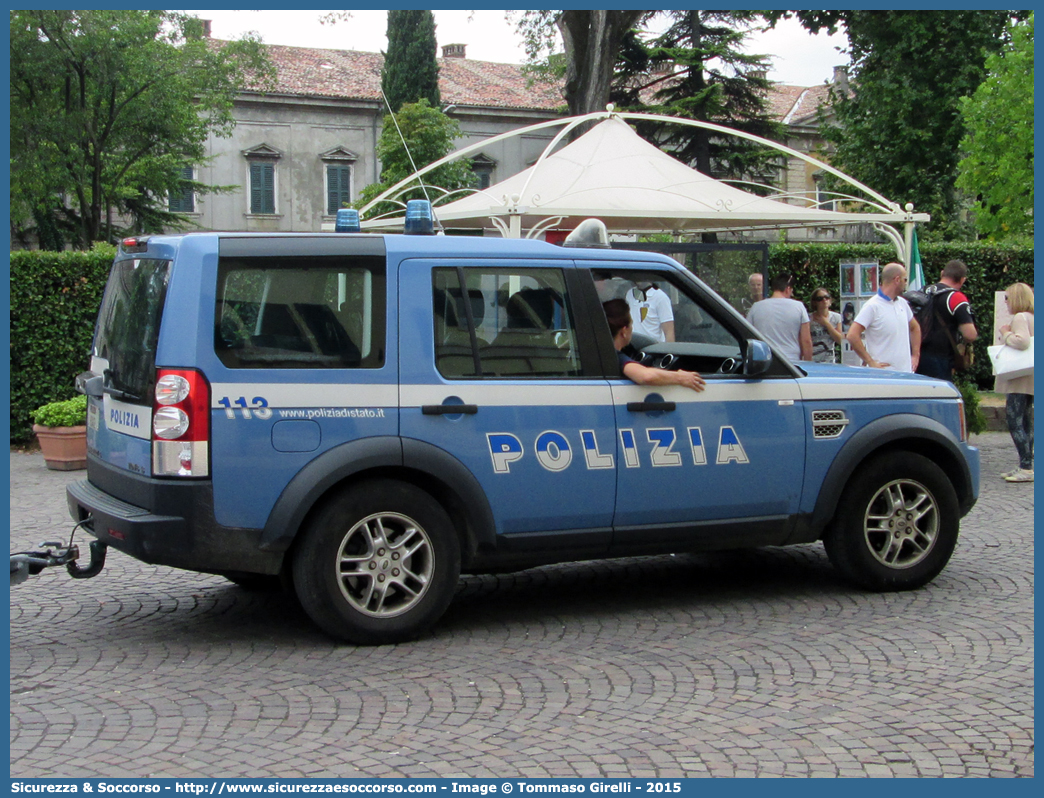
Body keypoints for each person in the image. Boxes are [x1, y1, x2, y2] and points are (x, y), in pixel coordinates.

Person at [602, 299, 705, 391]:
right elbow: (646, 376)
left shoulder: (598, 353)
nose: (632, 329)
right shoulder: (615, 357)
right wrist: (680, 377)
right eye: (631, 324)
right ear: (624, 331)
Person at [846, 263, 921, 372]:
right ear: (897, 280)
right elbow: (852, 335)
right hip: (883, 375)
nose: (906, 283)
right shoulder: (872, 306)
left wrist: (915, 356)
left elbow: (915, 328)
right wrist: (870, 362)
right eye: (905, 280)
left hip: (905, 374)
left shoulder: (902, 303)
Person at [995, 283, 1034, 483]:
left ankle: (1026, 467)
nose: (1006, 302)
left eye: (1008, 298)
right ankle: (1025, 464)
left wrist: (1006, 333)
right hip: (1030, 378)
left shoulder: (1020, 317)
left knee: (1015, 420)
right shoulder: (1033, 317)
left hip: (1019, 378)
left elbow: (1023, 342)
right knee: (1026, 421)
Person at [915, 259, 979, 381]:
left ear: (942, 273)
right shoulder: (955, 298)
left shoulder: (922, 291)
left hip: (916, 354)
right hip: (940, 358)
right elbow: (969, 334)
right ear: (962, 280)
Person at [746, 272, 813, 362]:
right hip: (791, 360)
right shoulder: (799, 306)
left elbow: (748, 334)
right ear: (788, 289)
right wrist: (808, 363)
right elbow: (806, 340)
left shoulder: (756, 307)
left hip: (764, 360)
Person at [808, 287, 843, 363]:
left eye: (827, 297)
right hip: (813, 359)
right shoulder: (808, 319)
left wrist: (827, 324)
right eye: (820, 299)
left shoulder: (836, 317)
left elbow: (840, 340)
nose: (824, 300)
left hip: (829, 359)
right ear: (815, 302)